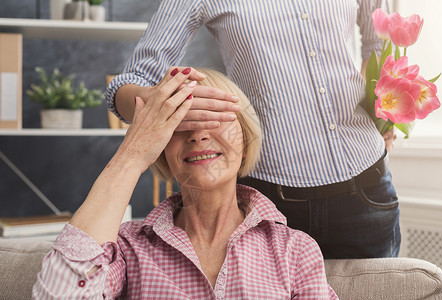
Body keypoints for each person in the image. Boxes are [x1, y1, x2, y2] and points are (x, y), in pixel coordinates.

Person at [105, 0, 400, 259]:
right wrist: (170, 104)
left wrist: (384, 116)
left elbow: (381, 48)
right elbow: (129, 81)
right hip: (269, 203)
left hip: (366, 190)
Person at [33, 69, 338, 299]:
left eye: (215, 117)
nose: (198, 134)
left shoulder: (295, 250)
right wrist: (132, 155)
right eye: (181, 122)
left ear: (245, 140)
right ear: (161, 147)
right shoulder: (128, 248)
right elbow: (59, 293)